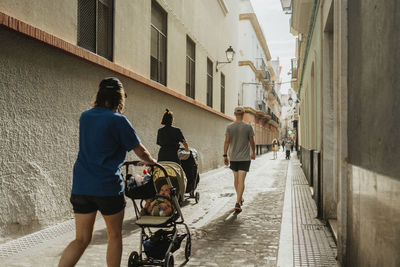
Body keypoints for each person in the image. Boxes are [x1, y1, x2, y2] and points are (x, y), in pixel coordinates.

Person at [58, 77, 157, 267]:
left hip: (82, 186)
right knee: (114, 235)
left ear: (100, 95)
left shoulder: (85, 116)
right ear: (119, 98)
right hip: (107, 187)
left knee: (81, 239)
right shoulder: (118, 120)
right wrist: (152, 162)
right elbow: (140, 150)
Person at [223, 106, 256, 212]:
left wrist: (225, 155)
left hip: (233, 157)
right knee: (241, 180)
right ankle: (238, 201)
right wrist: (253, 152)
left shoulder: (229, 126)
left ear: (234, 114)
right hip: (245, 158)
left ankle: (239, 198)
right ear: (243, 114)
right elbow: (252, 141)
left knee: (236, 180)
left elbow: (227, 141)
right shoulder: (248, 127)